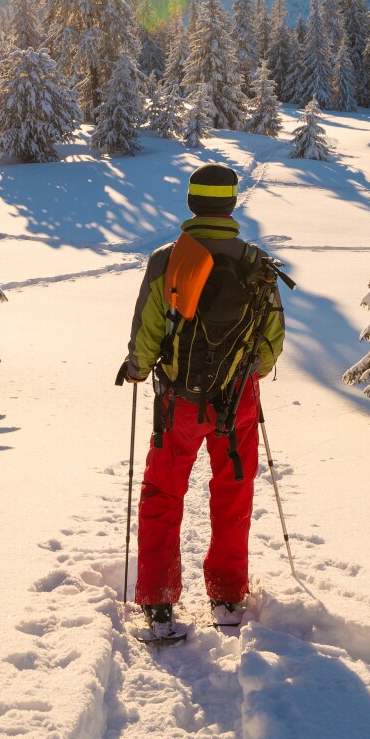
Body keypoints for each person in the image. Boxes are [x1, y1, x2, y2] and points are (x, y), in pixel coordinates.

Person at [117, 163, 287, 638]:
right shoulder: (258, 263)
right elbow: (271, 344)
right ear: (232, 204)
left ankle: (158, 601)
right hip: (239, 402)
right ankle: (228, 596)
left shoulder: (168, 260)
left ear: (193, 203)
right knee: (233, 492)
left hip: (178, 403)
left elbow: (148, 332)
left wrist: (137, 368)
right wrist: (246, 375)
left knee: (163, 494)